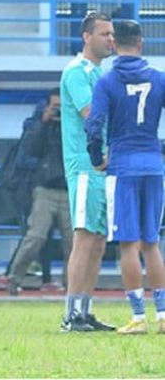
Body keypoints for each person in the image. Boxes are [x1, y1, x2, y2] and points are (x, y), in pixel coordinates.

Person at [85, 20, 165, 335]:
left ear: (115, 43)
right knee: (152, 243)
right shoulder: (159, 79)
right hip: (153, 165)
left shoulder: (107, 81)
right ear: (141, 43)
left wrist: (96, 157)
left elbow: (95, 123)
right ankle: (163, 315)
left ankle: (138, 317)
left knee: (128, 244)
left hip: (122, 166)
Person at [59, 11, 115, 332]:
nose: (110, 39)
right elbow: (91, 114)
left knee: (98, 241)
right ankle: (71, 313)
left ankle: (86, 308)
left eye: (112, 35)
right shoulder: (76, 72)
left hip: (103, 166)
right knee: (83, 238)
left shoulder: (101, 74)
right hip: (84, 166)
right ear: (86, 36)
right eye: (104, 34)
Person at [7, 89, 73, 296]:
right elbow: (28, 149)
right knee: (35, 236)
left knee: (72, 241)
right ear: (46, 107)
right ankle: (14, 279)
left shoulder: (74, 125)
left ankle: (71, 286)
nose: (58, 112)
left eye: (62, 108)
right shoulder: (35, 125)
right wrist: (44, 123)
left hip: (69, 189)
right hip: (44, 188)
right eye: (55, 107)